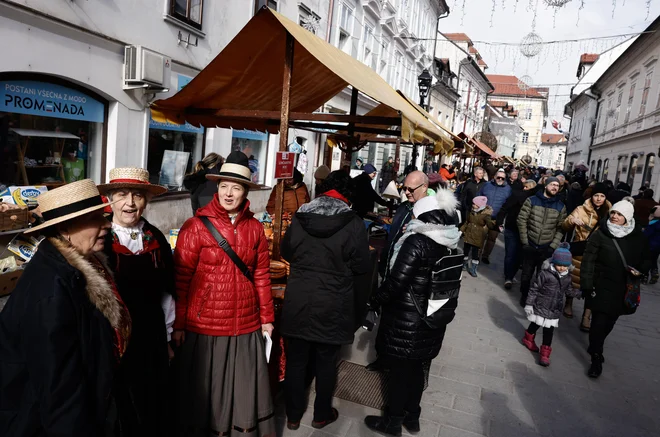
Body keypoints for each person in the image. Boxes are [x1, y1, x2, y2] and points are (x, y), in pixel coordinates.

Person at [0, 180, 130, 436]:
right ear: (65, 228)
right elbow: (59, 390)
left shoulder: (81, 265)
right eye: (95, 218)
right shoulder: (50, 290)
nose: (107, 224)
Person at [173, 151, 275, 436]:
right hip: (204, 325)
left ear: (246, 192)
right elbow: (181, 279)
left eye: (237, 187)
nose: (229, 193)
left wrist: (266, 318)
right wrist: (179, 324)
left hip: (245, 322)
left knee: (241, 387)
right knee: (205, 390)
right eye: (224, 186)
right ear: (216, 188)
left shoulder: (255, 229)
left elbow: (262, 277)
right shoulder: (194, 227)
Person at [364, 190, 463, 436]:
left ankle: (393, 422)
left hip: (407, 319)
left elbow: (397, 282)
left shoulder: (417, 240)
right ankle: (412, 417)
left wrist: (374, 301)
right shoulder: (450, 239)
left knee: (399, 373)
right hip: (433, 317)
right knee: (418, 368)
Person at [280, 171, 371, 430]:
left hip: (299, 298)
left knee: (297, 361)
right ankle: (321, 415)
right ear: (347, 195)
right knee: (326, 362)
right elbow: (362, 265)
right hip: (333, 302)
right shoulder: (353, 223)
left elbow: (287, 250)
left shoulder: (301, 216)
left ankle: (293, 416)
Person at [97, 168, 174, 435]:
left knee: (152, 399)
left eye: (138, 195)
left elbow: (167, 292)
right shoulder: (99, 239)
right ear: (109, 199)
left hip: (151, 334)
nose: (130, 203)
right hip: (113, 337)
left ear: (146, 201)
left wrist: (167, 339)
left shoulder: (156, 238)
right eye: (122, 194)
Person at [581, 200, 650, 378]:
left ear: (627, 217)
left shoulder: (638, 236)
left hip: (623, 288)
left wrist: (640, 270)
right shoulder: (600, 234)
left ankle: (597, 344)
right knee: (598, 322)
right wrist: (587, 284)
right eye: (613, 213)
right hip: (601, 285)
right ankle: (596, 357)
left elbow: (646, 258)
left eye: (619, 214)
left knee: (610, 322)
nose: (614, 217)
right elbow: (588, 260)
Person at [370, 171, 429, 373]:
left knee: (400, 328)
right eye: (404, 188)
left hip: (410, 283)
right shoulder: (404, 207)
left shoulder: (428, 212)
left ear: (424, 187)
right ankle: (382, 358)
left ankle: (396, 367)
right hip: (390, 271)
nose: (406, 192)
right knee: (386, 320)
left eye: (411, 189)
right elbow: (392, 239)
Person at [521, 243, 581, 366]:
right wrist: (529, 304)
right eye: (559, 265)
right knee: (535, 324)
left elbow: (569, 290)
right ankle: (528, 338)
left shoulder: (567, 278)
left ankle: (545, 353)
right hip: (541, 305)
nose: (562, 268)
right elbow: (534, 289)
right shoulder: (545, 274)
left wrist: (579, 293)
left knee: (549, 331)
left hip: (554, 309)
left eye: (565, 266)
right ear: (554, 263)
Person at [560, 183, 611, 330]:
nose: (599, 199)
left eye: (602, 196)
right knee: (574, 279)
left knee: (592, 285)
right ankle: (569, 303)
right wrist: (572, 221)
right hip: (580, 250)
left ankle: (586, 316)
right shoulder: (581, 209)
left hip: (597, 254)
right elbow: (564, 225)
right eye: (596, 195)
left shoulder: (610, 213)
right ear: (591, 195)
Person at [517, 177, 567, 307]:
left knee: (542, 275)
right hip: (531, 243)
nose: (555, 187)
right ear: (546, 185)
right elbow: (522, 220)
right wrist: (525, 241)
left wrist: (553, 246)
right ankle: (524, 294)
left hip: (546, 246)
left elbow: (561, 228)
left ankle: (535, 298)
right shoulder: (532, 200)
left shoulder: (560, 206)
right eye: (552, 185)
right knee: (526, 274)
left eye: (557, 185)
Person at [496, 180, 537, 289]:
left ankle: (509, 276)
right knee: (513, 254)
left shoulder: (533, 199)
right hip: (514, 228)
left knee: (514, 254)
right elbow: (505, 208)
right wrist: (500, 221)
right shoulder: (525, 197)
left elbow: (504, 208)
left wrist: (500, 221)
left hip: (518, 229)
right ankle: (509, 276)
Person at [477, 169, 512, 264]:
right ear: (494, 177)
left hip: (497, 218)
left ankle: (485, 256)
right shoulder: (487, 185)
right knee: (481, 237)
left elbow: (509, 203)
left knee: (492, 239)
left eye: (502, 178)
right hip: (484, 215)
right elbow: (479, 196)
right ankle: (477, 256)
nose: (500, 179)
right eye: (498, 177)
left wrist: (503, 217)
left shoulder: (508, 189)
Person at [459, 195, 493, 277]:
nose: (472, 205)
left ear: (479, 205)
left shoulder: (485, 215)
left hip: (477, 236)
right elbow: (467, 222)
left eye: (474, 204)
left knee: (475, 254)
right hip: (468, 235)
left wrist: (496, 225)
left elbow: (490, 225)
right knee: (466, 251)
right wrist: (461, 231)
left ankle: (473, 268)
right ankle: (464, 264)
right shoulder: (471, 212)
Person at [643, 206, 660, 284]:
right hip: (658, 246)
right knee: (654, 260)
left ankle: (645, 276)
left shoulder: (653, 223)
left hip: (650, 245)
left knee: (647, 260)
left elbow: (647, 234)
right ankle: (655, 272)